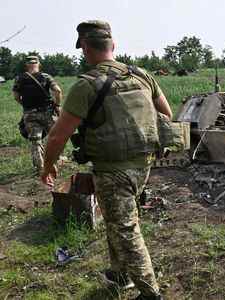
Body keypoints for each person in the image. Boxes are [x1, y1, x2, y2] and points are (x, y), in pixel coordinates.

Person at [41, 20, 172, 300]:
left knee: (125, 229)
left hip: (113, 171)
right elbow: (167, 114)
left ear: (85, 48)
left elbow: (56, 137)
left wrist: (48, 164)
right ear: (113, 45)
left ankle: (151, 294)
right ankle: (120, 272)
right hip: (144, 165)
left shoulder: (86, 85)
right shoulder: (142, 76)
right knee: (118, 219)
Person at [12, 56, 62, 172]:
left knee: (35, 141)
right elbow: (58, 91)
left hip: (29, 114)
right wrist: (57, 105)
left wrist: (26, 106)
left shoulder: (19, 78)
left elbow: (16, 97)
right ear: (38, 64)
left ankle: (40, 167)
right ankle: (56, 160)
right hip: (47, 112)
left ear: (26, 65)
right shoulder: (45, 76)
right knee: (54, 137)